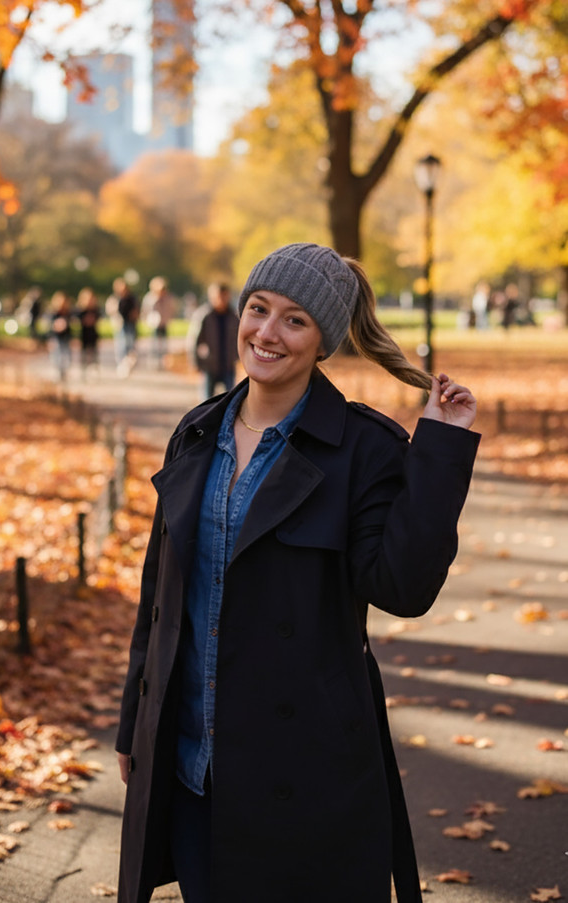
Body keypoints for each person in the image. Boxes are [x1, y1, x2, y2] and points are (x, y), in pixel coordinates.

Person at [116, 243, 479, 903]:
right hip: (192, 763)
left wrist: (442, 447)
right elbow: (160, 597)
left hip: (307, 769)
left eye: (294, 320)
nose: (266, 332)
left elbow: (403, 587)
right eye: (259, 309)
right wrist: (133, 726)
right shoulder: (196, 433)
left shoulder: (364, 447)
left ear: (323, 342)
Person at [188, 282, 240, 398]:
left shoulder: (234, 316)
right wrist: (195, 362)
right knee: (206, 401)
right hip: (209, 366)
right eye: (218, 296)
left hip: (228, 365)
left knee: (230, 399)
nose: (221, 299)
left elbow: (240, 338)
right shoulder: (204, 315)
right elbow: (194, 341)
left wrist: (238, 356)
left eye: (224, 296)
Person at [106, 277, 140, 375]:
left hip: (130, 323)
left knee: (130, 343)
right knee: (120, 344)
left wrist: (135, 314)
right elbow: (110, 310)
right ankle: (121, 363)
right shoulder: (114, 298)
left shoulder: (132, 298)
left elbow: (137, 309)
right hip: (120, 324)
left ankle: (129, 362)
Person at [141, 276, 176, 369]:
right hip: (154, 324)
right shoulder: (150, 298)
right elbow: (146, 310)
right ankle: (154, 361)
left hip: (164, 322)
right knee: (154, 343)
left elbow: (171, 309)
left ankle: (163, 362)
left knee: (164, 344)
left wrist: (169, 318)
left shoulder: (168, 298)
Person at [48, 291, 73, 382]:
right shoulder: (53, 314)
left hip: (65, 337)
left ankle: (64, 372)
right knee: (57, 355)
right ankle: (59, 372)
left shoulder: (68, 313)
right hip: (57, 338)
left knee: (66, 355)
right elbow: (50, 327)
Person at [77, 287, 101, 378]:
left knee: (94, 354)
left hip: (93, 335)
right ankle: (84, 371)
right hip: (84, 336)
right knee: (84, 354)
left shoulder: (95, 310)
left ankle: (94, 371)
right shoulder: (81, 310)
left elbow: (98, 318)